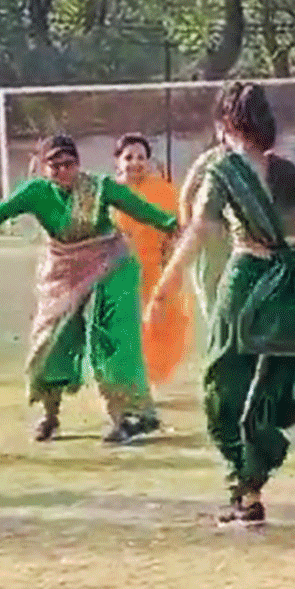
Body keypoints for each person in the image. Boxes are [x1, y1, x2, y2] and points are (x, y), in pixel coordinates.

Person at [146, 82, 295, 525]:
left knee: (222, 382)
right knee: (277, 373)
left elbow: (199, 232)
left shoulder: (224, 170)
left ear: (227, 123)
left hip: (248, 277)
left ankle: (244, 490)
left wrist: (162, 288)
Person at [0, 135, 178, 445]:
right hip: (63, 271)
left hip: (111, 264)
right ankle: (50, 415)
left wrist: (173, 224)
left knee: (111, 339)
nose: (64, 171)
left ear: (78, 164)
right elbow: (0, 212)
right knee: (48, 342)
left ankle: (128, 417)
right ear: (43, 167)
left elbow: (138, 208)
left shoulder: (99, 187)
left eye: (70, 164)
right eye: (56, 165)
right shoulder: (35, 192)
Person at [110, 134, 191, 396]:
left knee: (162, 327)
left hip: (156, 271)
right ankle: (130, 383)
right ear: (117, 162)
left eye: (141, 158)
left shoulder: (164, 191)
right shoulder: (107, 194)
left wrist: (171, 253)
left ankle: (148, 379)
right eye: (128, 157)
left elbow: (179, 227)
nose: (135, 163)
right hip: (118, 274)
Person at [177, 123, 232, 324]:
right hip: (209, 239)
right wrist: (188, 232)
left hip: (240, 240)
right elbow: (186, 195)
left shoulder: (254, 160)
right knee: (210, 296)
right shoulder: (210, 160)